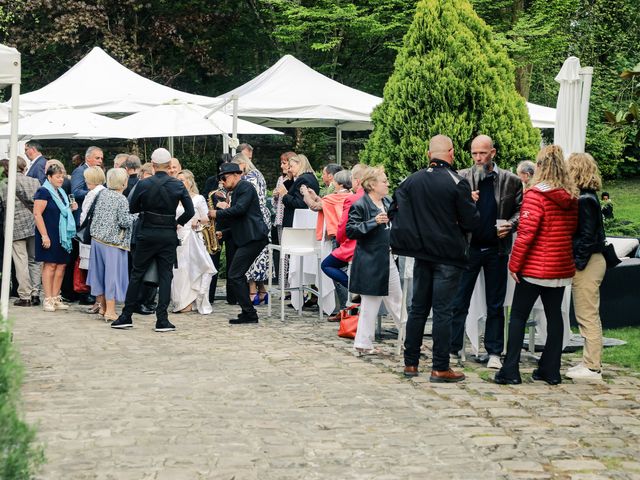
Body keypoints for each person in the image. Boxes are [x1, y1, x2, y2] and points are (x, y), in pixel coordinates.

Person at [390, 134, 479, 382]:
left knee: (418, 309)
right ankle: (440, 366)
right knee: (442, 311)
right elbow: (471, 221)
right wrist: (470, 204)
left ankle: (411, 363)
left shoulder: (411, 181)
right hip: (448, 255)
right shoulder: (457, 182)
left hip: (421, 253)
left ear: (429, 155)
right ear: (450, 153)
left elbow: (393, 210)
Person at [495, 145, 578, 385]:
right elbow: (571, 230)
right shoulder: (570, 196)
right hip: (560, 265)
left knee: (518, 316)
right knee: (555, 318)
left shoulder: (535, 195)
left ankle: (510, 369)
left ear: (540, 167)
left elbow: (526, 234)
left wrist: (514, 264)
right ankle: (550, 370)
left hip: (534, 266)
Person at [449, 135, 523, 369]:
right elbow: (447, 210)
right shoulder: (461, 177)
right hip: (468, 248)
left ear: (493, 152)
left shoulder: (511, 180)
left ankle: (494, 352)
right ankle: (453, 349)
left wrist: (511, 225)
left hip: (496, 249)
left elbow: (522, 211)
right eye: (474, 153)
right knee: (459, 301)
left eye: (482, 153)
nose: (478, 158)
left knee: (495, 303)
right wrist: (465, 201)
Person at [111, 148, 194, 332]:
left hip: (146, 232)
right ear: (168, 165)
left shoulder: (143, 184)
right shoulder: (178, 185)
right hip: (168, 234)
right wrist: (175, 223)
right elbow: (190, 211)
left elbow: (132, 208)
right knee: (166, 276)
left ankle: (126, 316)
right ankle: (162, 319)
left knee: (137, 273)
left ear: (153, 165)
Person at [346, 166, 403, 354]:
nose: (387, 183)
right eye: (384, 180)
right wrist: (373, 222)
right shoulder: (360, 205)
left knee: (397, 300)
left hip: (387, 257)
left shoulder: (387, 201)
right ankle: (363, 343)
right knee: (370, 303)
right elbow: (351, 230)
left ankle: (410, 339)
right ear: (372, 184)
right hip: (370, 260)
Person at [210, 163, 269, 324]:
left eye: (224, 178)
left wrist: (216, 213)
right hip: (249, 237)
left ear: (237, 174)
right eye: (220, 179)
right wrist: (225, 232)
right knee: (236, 275)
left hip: (254, 237)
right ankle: (248, 312)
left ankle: (250, 314)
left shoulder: (245, 187)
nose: (222, 181)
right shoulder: (238, 190)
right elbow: (241, 219)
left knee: (235, 275)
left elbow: (240, 210)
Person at [566, 153, 607, 381]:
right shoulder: (587, 197)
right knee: (587, 313)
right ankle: (590, 362)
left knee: (587, 315)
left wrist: (577, 264)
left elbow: (587, 238)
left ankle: (592, 367)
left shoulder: (585, 201)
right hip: (590, 260)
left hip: (588, 262)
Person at [87, 168, 137, 321]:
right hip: (113, 243)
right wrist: (137, 216)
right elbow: (124, 221)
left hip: (97, 240)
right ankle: (110, 311)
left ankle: (102, 307)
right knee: (112, 276)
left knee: (99, 274)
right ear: (124, 183)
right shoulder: (121, 199)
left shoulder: (102, 193)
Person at [302, 169, 353, 318]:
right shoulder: (349, 196)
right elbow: (325, 203)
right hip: (348, 237)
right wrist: (316, 196)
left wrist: (305, 193)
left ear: (339, 183)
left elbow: (315, 206)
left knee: (335, 271)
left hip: (337, 237)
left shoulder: (334, 197)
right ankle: (347, 306)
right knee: (342, 270)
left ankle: (345, 308)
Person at [33, 163, 78, 312]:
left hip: (63, 234)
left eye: (62, 177)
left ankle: (55, 297)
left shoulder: (61, 192)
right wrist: (44, 236)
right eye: (58, 177)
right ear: (49, 176)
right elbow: (37, 214)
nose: (61, 179)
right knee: (50, 265)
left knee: (61, 265)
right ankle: (47, 299)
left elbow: (63, 210)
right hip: (49, 232)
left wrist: (71, 208)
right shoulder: (43, 191)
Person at [172, 169, 215, 314]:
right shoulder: (174, 198)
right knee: (179, 271)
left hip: (193, 236)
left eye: (182, 180)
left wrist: (197, 220)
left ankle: (191, 301)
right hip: (177, 237)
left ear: (190, 182)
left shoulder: (198, 199)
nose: (180, 183)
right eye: (178, 180)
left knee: (192, 269)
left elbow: (207, 218)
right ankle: (181, 301)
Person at [0, 157, 41, 306]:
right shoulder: (34, 181)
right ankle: (36, 293)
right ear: (23, 167)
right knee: (35, 260)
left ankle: (25, 295)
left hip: (14, 226)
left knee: (20, 260)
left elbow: (3, 204)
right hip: (34, 223)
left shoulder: (5, 184)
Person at [232, 153, 271, 305]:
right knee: (260, 255)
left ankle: (252, 291)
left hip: (252, 218)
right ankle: (262, 291)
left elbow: (244, 202)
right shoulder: (258, 174)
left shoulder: (248, 179)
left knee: (251, 256)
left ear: (242, 164)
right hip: (262, 216)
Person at [78, 166, 107, 315]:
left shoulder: (92, 194)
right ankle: (101, 302)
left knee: (94, 270)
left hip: (91, 237)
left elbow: (84, 216)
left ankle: (98, 301)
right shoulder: (106, 192)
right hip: (103, 236)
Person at [276, 154, 320, 228]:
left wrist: (284, 195)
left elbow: (299, 203)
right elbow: (294, 191)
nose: (289, 169)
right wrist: (290, 179)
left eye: (291, 166)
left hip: (297, 223)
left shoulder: (303, 179)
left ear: (300, 164)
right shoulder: (309, 177)